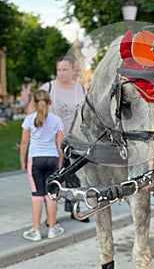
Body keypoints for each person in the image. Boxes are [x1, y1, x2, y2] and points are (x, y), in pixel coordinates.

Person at [27, 56, 87, 221]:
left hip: (76, 141)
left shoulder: (81, 89)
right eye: (58, 70)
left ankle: (75, 209)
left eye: (65, 70)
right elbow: (32, 107)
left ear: (73, 70)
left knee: (76, 178)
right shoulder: (49, 87)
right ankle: (50, 216)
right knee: (54, 180)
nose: (61, 73)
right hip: (53, 144)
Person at [20, 90, 64, 241]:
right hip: (52, 158)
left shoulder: (28, 120)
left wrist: (22, 161)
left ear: (33, 103)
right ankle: (52, 229)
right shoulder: (57, 120)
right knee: (51, 195)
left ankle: (36, 231)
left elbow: (24, 143)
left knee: (37, 195)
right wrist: (60, 164)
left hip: (35, 160)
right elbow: (61, 146)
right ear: (50, 102)